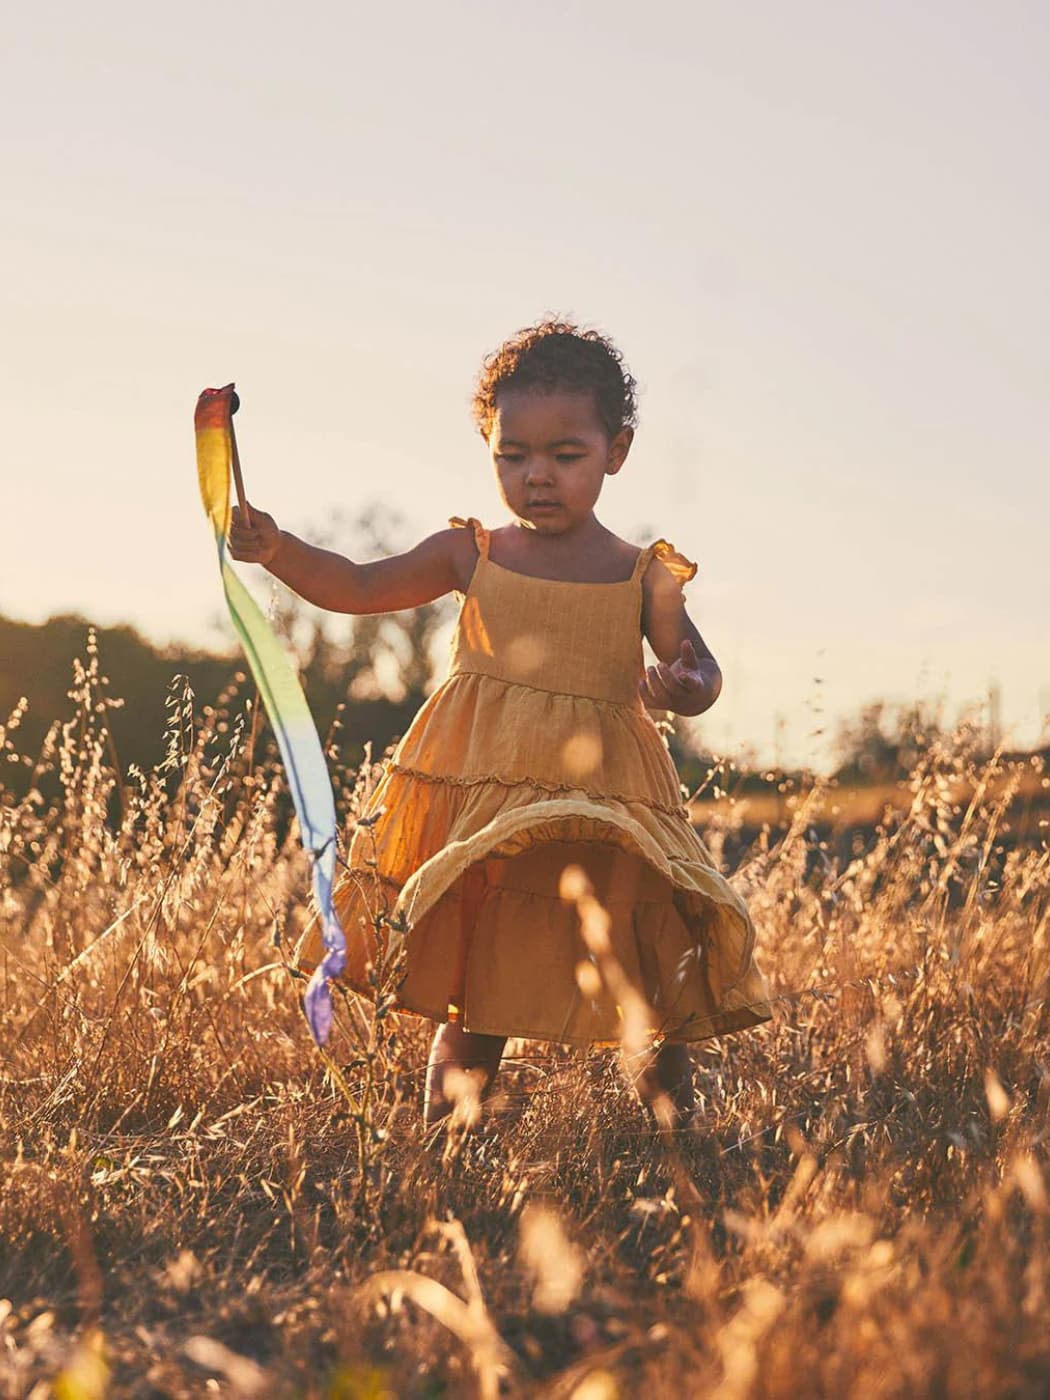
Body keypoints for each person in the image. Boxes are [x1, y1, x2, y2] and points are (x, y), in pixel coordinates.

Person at [228, 319, 772, 1128]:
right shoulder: (471, 553)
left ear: (615, 450)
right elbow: (354, 585)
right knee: (475, 982)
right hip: (486, 788)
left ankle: (676, 1135)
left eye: (565, 455)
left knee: (646, 966)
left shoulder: (641, 574)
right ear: (487, 446)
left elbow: (702, 669)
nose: (536, 477)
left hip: (606, 797)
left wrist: (684, 684)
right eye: (511, 455)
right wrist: (277, 549)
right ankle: (448, 1139)